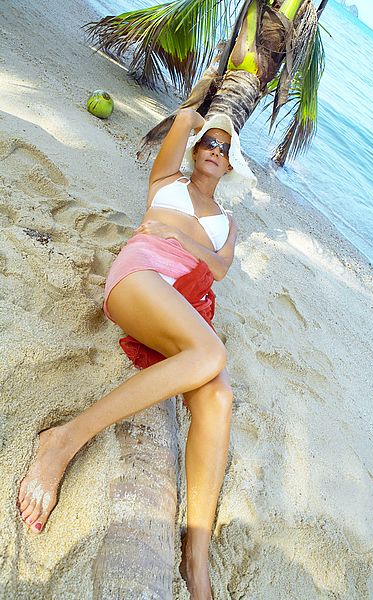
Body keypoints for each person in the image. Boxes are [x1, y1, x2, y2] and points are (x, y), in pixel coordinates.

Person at [16, 108, 257, 599]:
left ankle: (196, 556)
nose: (216, 149)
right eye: (210, 142)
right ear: (194, 149)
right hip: (144, 274)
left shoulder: (229, 223)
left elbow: (221, 268)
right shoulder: (167, 180)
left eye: (225, 148)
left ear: (231, 167)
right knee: (211, 356)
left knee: (219, 398)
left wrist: (183, 235)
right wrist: (204, 98)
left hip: (185, 302)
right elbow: (186, 117)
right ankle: (63, 440)